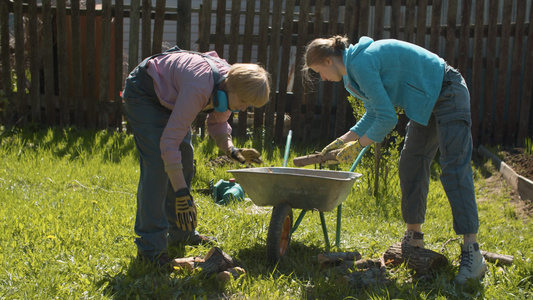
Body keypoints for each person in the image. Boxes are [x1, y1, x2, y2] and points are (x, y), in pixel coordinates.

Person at [302, 35, 487, 284]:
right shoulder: (351, 73)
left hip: (446, 89)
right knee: (411, 163)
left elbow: (387, 118)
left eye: (319, 72)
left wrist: (357, 147)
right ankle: (414, 239)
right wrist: (343, 140)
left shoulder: (360, 62)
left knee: (454, 168)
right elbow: (374, 112)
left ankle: (472, 253)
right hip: (426, 100)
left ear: (328, 60)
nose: (322, 79)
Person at [122, 46, 270, 267]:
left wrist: (233, 151)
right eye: (244, 102)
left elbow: (218, 123)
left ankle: (182, 233)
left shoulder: (228, 87)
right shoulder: (200, 87)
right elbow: (168, 144)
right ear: (230, 85)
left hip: (171, 96)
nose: (244, 108)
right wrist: (182, 194)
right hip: (145, 93)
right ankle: (150, 249)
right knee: (157, 167)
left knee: (185, 160)